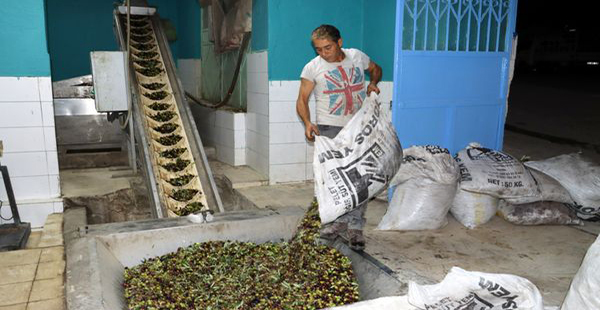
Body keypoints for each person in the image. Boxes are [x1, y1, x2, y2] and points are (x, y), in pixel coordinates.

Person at [296, 24, 382, 251]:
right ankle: (336, 223)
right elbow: (302, 99)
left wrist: (372, 83)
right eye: (319, 49)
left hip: (359, 126)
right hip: (329, 129)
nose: (323, 53)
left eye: (328, 48)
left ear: (340, 42)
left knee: (360, 178)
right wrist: (307, 122)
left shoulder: (356, 57)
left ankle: (355, 227)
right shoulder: (312, 68)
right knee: (334, 179)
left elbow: (376, 68)